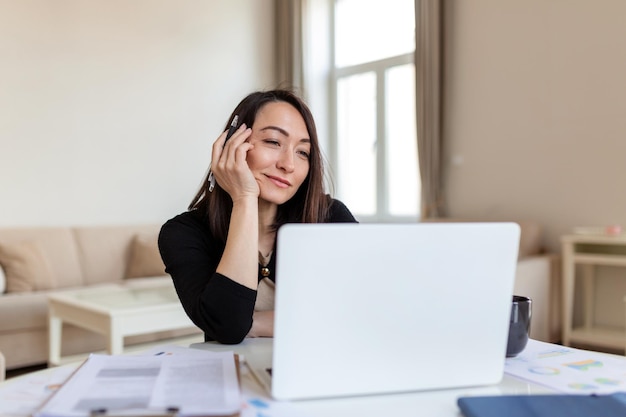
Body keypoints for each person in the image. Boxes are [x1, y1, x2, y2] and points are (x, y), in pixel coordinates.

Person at [158, 89, 357, 344]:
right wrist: (244, 198)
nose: (289, 164)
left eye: (302, 152)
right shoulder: (184, 233)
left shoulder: (329, 217)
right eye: (274, 142)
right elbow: (228, 326)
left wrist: (254, 323)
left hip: (319, 369)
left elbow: (364, 309)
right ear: (233, 145)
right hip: (228, 375)